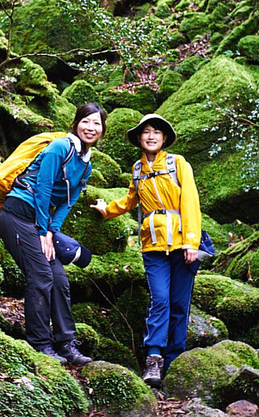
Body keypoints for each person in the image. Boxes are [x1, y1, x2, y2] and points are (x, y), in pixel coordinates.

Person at [92, 113, 201, 387]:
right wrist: (106, 210)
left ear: (164, 138)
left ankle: (175, 358)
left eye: (156, 132)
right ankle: (154, 357)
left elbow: (190, 201)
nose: (151, 136)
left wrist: (191, 241)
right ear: (139, 138)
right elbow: (131, 200)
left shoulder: (178, 164)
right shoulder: (138, 168)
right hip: (152, 244)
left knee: (179, 303)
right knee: (160, 299)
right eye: (146, 132)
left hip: (180, 243)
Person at [0, 103, 106, 365]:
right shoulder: (59, 147)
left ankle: (66, 344)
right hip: (18, 215)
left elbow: (68, 201)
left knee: (59, 279)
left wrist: (52, 230)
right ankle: (40, 344)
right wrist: (44, 231)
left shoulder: (86, 164)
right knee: (42, 276)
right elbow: (44, 187)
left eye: (97, 124)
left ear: (103, 131)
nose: (90, 128)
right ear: (76, 123)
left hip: (39, 223)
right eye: (86, 121)